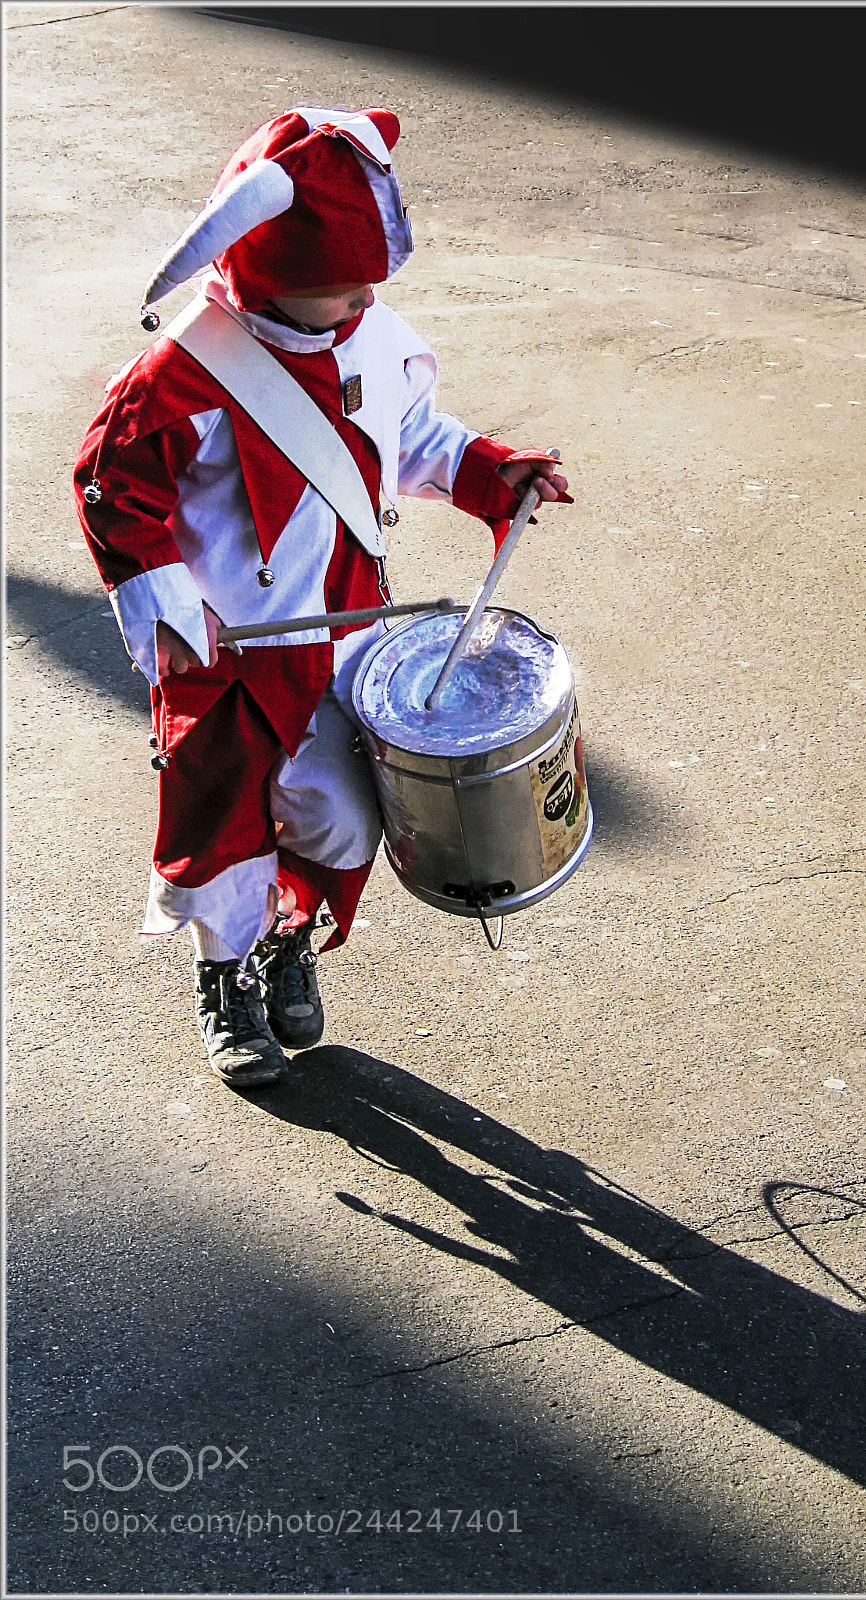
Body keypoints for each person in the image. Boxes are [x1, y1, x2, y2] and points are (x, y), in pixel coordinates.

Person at [73, 105, 571, 1089]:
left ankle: (287, 938)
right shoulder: (184, 373)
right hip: (226, 654)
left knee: (344, 821)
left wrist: (493, 474)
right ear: (263, 263)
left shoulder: (368, 332)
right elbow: (110, 485)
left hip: (343, 636)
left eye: (362, 285)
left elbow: (418, 434)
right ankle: (225, 976)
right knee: (222, 831)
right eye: (329, 286)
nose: (352, 304)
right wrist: (169, 605)